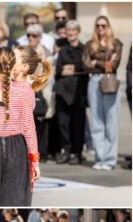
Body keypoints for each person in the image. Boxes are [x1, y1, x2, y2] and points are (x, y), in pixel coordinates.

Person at [0, 47, 44, 206]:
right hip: (16, 146)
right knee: (15, 196)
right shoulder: (24, 92)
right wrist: (35, 161)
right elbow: (28, 128)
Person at [84, 16, 124, 171]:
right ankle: (100, 158)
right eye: (98, 26)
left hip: (110, 82)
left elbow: (114, 65)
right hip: (93, 82)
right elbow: (86, 65)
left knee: (111, 122)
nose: (101, 28)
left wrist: (96, 61)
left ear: (108, 27)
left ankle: (110, 159)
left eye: (104, 26)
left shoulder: (116, 43)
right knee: (97, 121)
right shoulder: (89, 45)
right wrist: (104, 62)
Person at [54, 20, 88, 166]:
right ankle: (66, 151)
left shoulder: (84, 49)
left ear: (78, 32)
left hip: (78, 92)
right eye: (68, 31)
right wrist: (74, 69)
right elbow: (59, 69)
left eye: (73, 31)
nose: (70, 33)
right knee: (63, 125)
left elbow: (85, 68)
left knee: (78, 125)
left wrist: (72, 69)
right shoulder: (62, 50)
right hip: (63, 91)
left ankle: (77, 153)